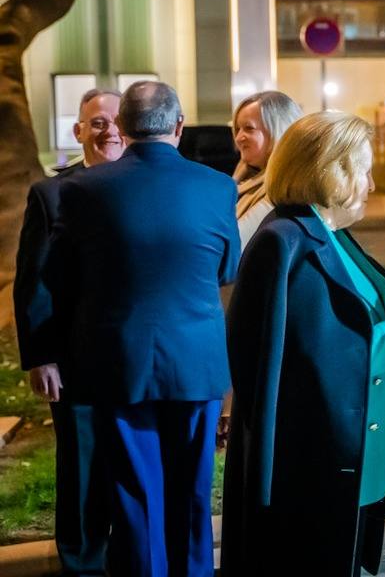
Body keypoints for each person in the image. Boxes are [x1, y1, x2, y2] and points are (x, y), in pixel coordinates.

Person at [220, 111, 385, 577]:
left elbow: (344, 325)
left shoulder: (328, 234)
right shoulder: (283, 242)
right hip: (310, 468)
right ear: (330, 170)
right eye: (363, 169)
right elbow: (301, 360)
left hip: (352, 460)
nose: (372, 185)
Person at [45, 81, 239, 577]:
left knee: (133, 491)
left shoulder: (80, 189)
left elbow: (62, 275)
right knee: (192, 491)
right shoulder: (217, 185)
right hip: (194, 360)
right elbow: (225, 268)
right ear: (179, 126)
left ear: (125, 128)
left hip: (116, 361)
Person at [14, 88, 124, 575]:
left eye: (118, 121)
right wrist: (41, 356)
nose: (109, 131)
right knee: (81, 466)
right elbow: (33, 280)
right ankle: (82, 563)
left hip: (139, 356)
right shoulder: (50, 194)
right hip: (75, 359)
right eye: (96, 123)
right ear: (78, 132)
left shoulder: (148, 186)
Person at [231, 90, 302, 251]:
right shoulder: (248, 181)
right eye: (238, 129)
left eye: (249, 128)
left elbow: (234, 244)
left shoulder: (281, 190)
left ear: (278, 131)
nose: (238, 138)